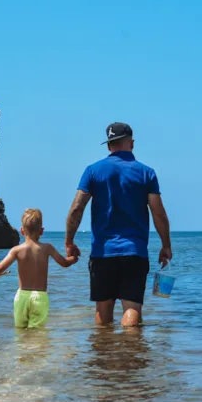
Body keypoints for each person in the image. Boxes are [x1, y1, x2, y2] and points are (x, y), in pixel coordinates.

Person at [64, 122, 172, 326]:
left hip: (102, 252)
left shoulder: (93, 171)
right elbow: (158, 213)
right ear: (131, 143)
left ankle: (105, 353)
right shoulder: (146, 173)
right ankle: (129, 353)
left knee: (102, 309)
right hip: (134, 251)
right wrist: (166, 245)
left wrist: (69, 240)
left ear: (108, 146)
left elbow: (77, 208)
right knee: (132, 308)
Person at [0, 208, 78, 328]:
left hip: (22, 297)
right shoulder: (47, 248)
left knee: (20, 329)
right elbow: (64, 263)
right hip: (39, 297)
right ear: (42, 231)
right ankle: (35, 347)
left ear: (21, 231)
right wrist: (73, 258)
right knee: (37, 332)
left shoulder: (16, 250)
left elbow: (0, 267)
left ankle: (22, 347)